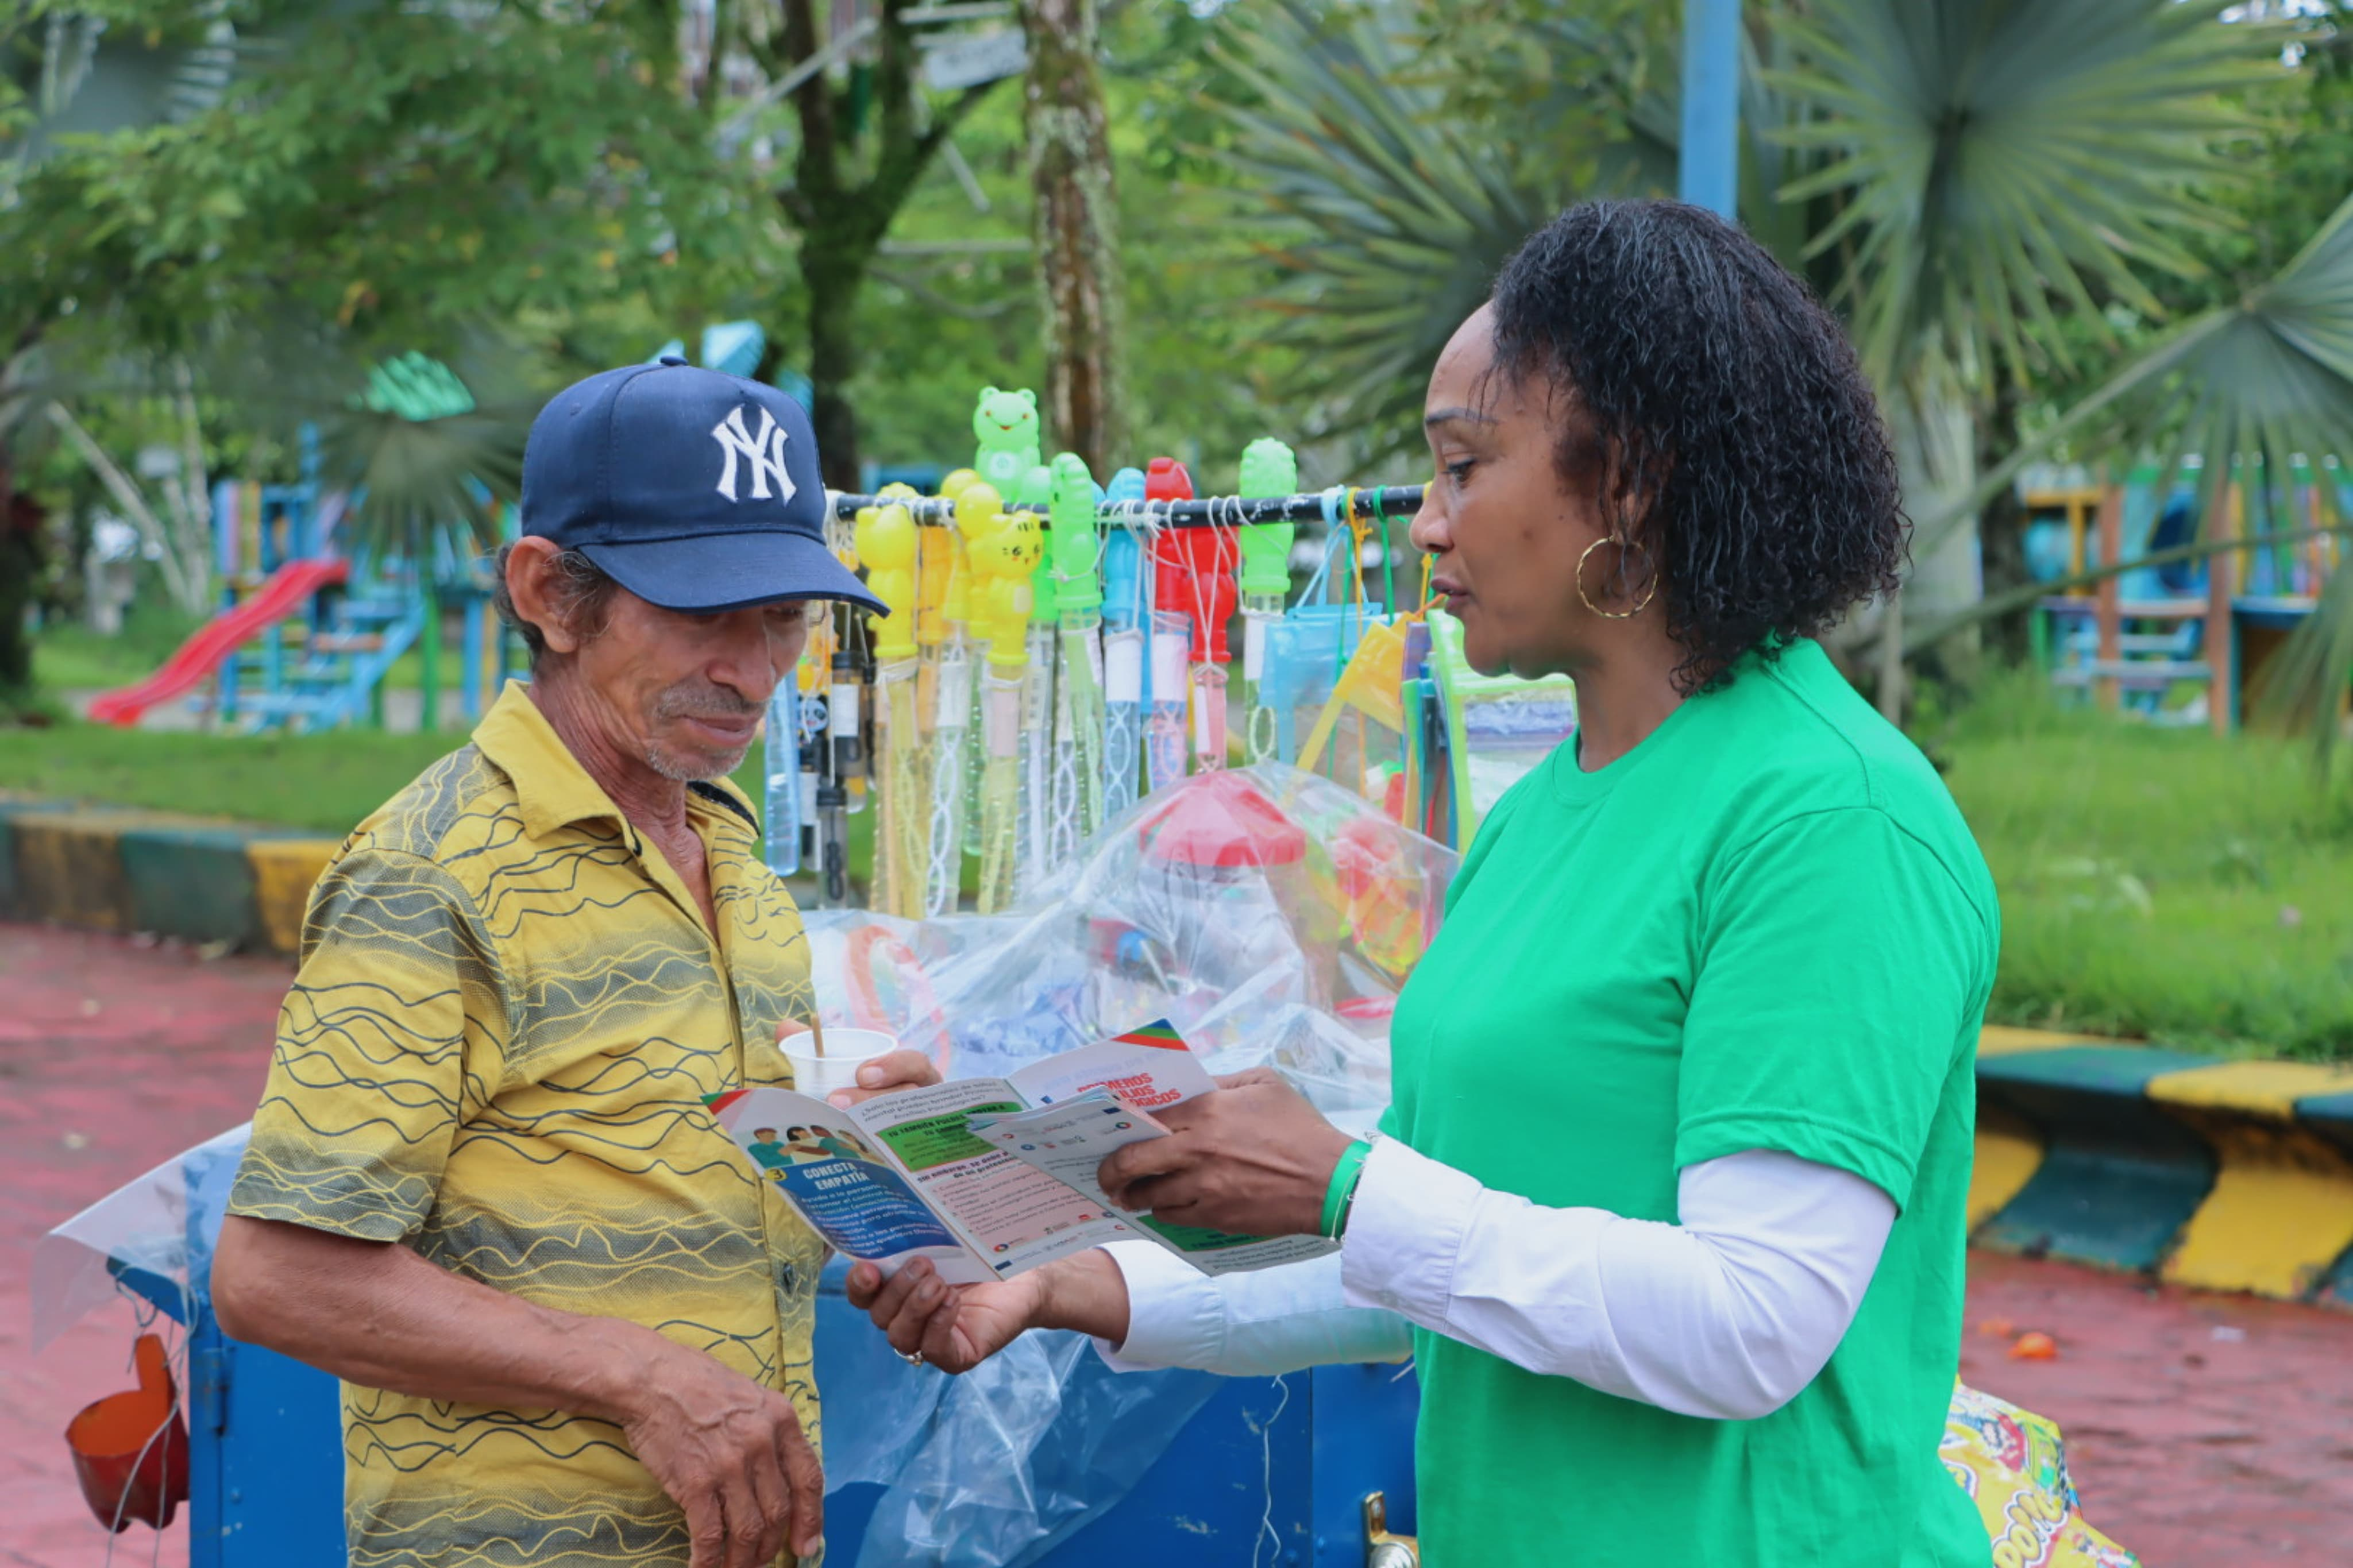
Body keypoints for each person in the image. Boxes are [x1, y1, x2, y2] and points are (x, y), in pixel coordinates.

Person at [849, 201, 2001, 1568]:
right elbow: (1439, 1272)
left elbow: (1749, 1324)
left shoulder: (1829, 819)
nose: (1425, 529)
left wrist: (1342, 1181)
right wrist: (1071, 1279)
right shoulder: (1541, 819)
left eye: (1462, 468)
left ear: (1627, 477)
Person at [210, 359, 943, 1568]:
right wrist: (638, 1379)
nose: (755, 671)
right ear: (550, 594)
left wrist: (870, 1177)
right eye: (706, 611)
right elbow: (279, 1274)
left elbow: (668, 1175)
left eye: (782, 618)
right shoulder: (433, 876)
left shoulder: (730, 859)